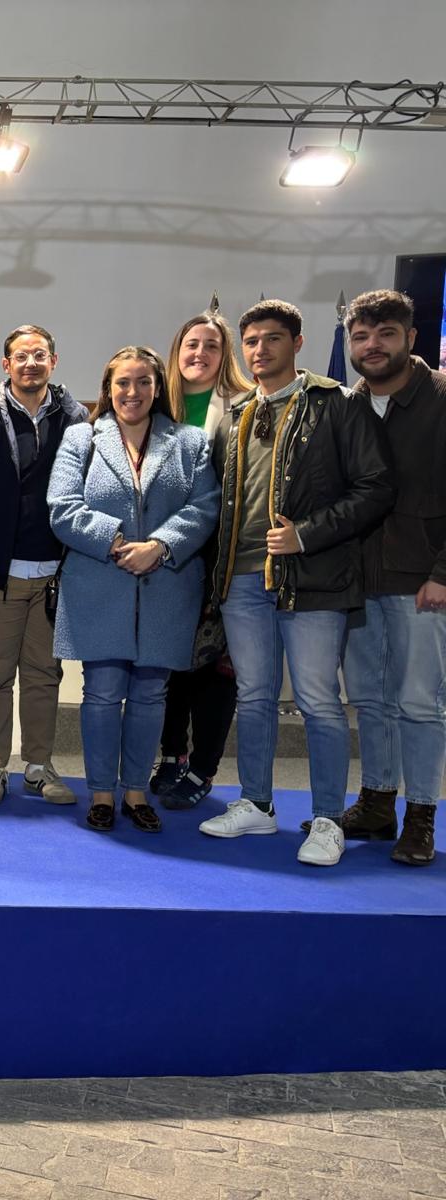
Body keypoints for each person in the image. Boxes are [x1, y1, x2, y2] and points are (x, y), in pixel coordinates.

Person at [199, 299, 394, 867]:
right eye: (252, 341)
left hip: (313, 578)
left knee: (318, 702)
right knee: (253, 697)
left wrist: (307, 535)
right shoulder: (235, 414)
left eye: (273, 339)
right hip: (240, 580)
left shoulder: (335, 405)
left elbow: (376, 487)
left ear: (297, 343)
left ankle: (329, 818)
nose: (261, 351)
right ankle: (257, 804)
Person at [49, 346, 220, 832]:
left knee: (150, 695)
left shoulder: (189, 442)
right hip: (99, 585)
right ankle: (102, 792)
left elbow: (205, 507)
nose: (132, 392)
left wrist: (161, 546)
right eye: (123, 382)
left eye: (143, 382)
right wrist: (119, 542)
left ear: (157, 388)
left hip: (167, 585)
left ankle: (136, 793)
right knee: (102, 693)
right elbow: (62, 507)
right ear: (108, 388)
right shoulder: (81, 437)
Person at [332, 288, 446, 866]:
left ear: (410, 338)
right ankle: (376, 804)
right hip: (357, 582)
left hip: (423, 582)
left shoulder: (442, 399)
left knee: (420, 704)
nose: (372, 346)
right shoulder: (346, 405)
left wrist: (443, 573)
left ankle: (421, 815)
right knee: (370, 701)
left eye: (385, 334)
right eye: (361, 336)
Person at [0, 325, 87, 805]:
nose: (31, 363)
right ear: (6, 364)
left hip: (54, 573)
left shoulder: (75, 417)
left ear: (53, 362)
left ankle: (39, 766)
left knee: (44, 675)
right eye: (21, 356)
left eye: (40, 355)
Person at [149, 313, 254, 811]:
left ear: (224, 354)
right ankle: (170, 754)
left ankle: (202, 769)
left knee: (215, 669)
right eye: (191, 344)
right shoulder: (153, 402)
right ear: (177, 349)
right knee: (169, 663)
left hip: (223, 559)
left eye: (211, 346)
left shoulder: (245, 405)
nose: (199, 353)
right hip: (164, 555)